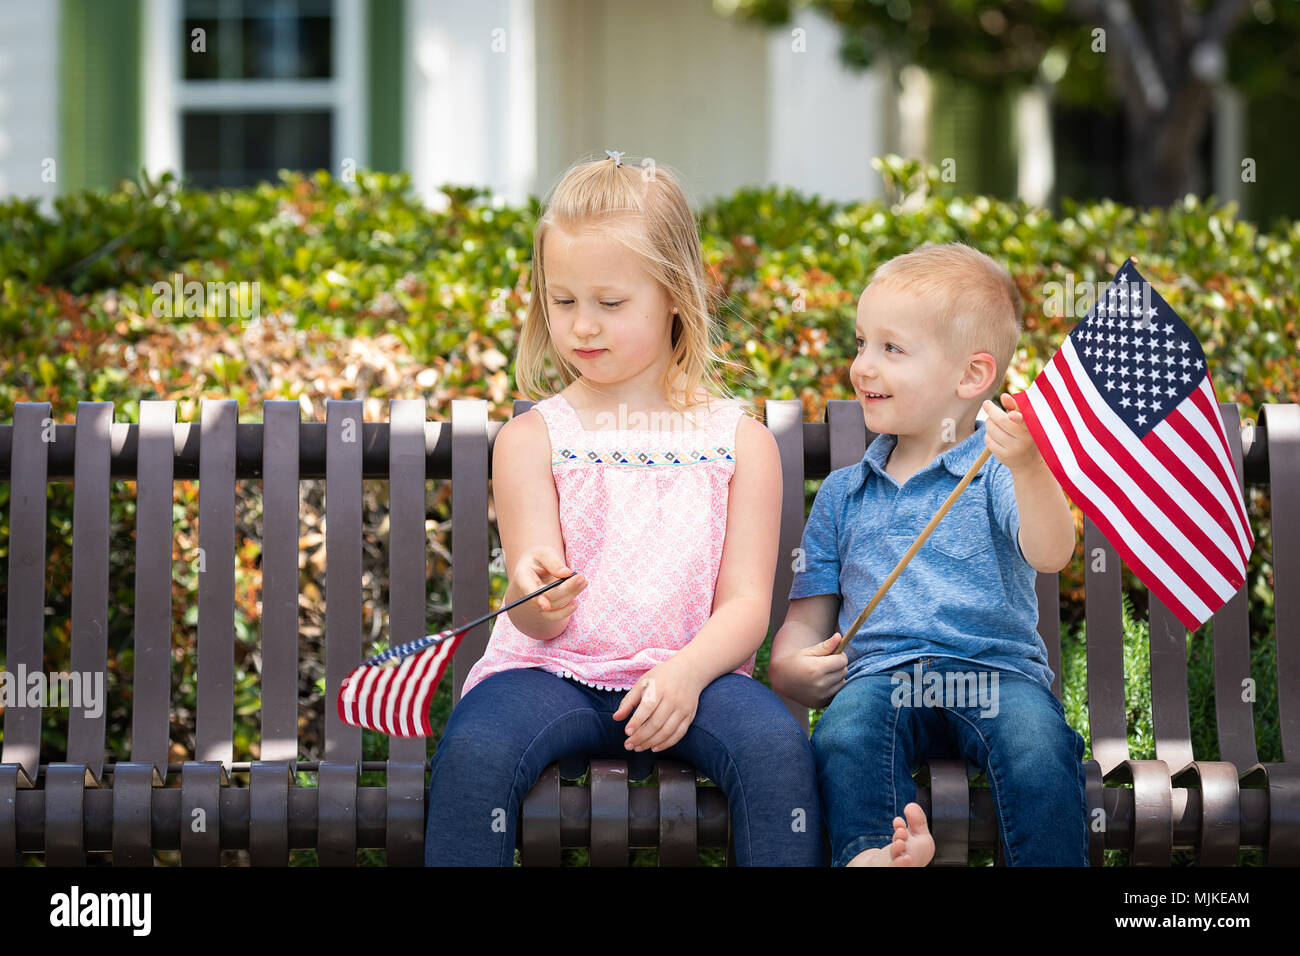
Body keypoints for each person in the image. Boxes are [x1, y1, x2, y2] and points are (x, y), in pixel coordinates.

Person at [424, 151, 826, 866]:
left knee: (775, 750)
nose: (581, 326)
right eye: (562, 300)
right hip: (551, 676)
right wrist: (531, 592)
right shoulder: (532, 438)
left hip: (693, 678)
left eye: (610, 304)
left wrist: (686, 674)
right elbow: (532, 608)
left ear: (676, 292)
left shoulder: (739, 443)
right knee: (476, 748)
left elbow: (743, 608)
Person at [770, 242, 1089, 867]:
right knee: (846, 734)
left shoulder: (997, 471)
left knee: (1039, 747)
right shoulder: (843, 493)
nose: (863, 365)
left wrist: (1028, 465)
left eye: (892, 349)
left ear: (971, 376)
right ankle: (875, 858)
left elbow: (1052, 552)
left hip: (994, 674)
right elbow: (808, 618)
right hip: (882, 675)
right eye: (862, 343)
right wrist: (788, 666)